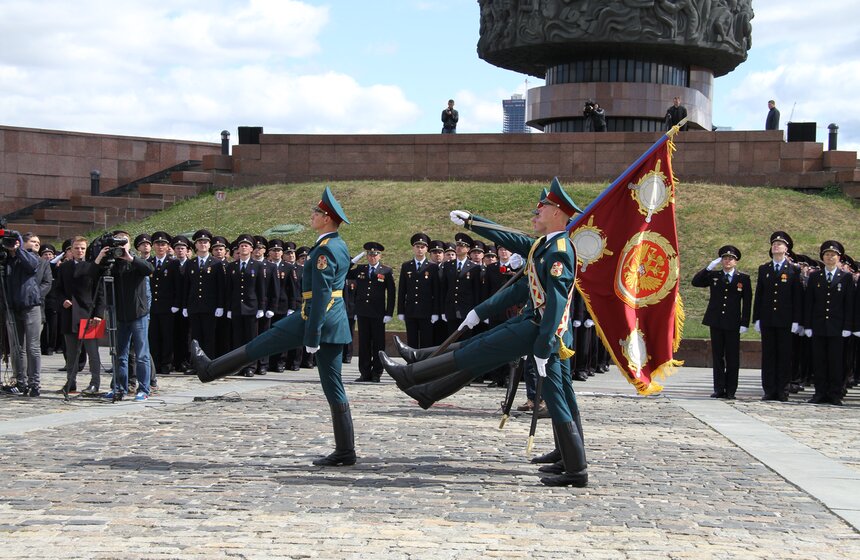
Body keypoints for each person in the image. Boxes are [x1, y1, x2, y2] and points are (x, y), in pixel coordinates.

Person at [380, 178, 588, 487]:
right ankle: (569, 458)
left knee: (479, 354)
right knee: (560, 395)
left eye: (542, 207)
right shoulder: (545, 245)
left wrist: (545, 346)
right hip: (537, 327)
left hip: (542, 331)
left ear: (558, 213)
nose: (536, 212)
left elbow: (557, 304)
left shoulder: (557, 250)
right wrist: (474, 222)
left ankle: (412, 375)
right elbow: (510, 239)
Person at [191, 187, 357, 467]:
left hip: (314, 318)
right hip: (332, 320)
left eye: (317, 212)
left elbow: (321, 295)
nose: (312, 215)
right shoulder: (336, 245)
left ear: (327, 219)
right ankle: (345, 451)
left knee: (261, 344)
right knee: (333, 385)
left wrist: (313, 334)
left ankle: (210, 370)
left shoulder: (325, 250)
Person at [95, 230, 155, 401]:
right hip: (120, 314)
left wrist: (130, 258)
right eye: (118, 243)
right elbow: (94, 274)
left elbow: (149, 269)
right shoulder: (112, 263)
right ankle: (119, 387)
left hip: (138, 313)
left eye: (124, 242)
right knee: (120, 354)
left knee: (142, 354)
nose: (121, 246)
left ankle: (143, 389)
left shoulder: (135, 260)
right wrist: (101, 256)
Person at [691, 245, 752, 399]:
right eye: (725, 258)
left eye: (730, 259)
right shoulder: (714, 276)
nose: (727, 261)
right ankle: (719, 388)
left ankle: (731, 390)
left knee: (732, 357)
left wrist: (744, 322)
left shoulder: (743, 278)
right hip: (716, 321)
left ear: (736, 261)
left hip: (733, 323)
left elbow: (747, 302)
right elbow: (696, 282)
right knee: (717, 356)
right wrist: (708, 268)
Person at [752, 231, 802, 401]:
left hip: (785, 320)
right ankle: (769, 389)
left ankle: (782, 389)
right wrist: (756, 318)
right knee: (769, 355)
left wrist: (796, 320)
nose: (776, 246)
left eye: (779, 244)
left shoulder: (794, 270)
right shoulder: (764, 269)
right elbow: (759, 295)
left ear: (786, 249)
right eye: (774, 244)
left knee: (784, 355)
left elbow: (797, 298)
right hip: (768, 319)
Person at [803, 241, 854, 405]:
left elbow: (849, 304)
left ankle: (834, 394)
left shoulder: (846, 278)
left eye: (833, 255)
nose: (830, 257)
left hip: (837, 327)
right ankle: (819, 393)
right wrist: (808, 325)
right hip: (818, 326)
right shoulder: (815, 276)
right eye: (827, 255)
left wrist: (847, 326)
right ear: (822, 257)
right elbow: (809, 302)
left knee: (836, 362)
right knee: (819, 361)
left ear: (839, 258)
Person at [55, 236, 104, 395]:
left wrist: (99, 314)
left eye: (82, 248)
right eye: (76, 248)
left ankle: (95, 383)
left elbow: (100, 292)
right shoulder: (64, 267)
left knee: (92, 352)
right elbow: (58, 289)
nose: (79, 251)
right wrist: (63, 301)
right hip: (70, 314)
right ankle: (71, 382)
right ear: (71, 250)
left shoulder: (93, 266)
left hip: (89, 314)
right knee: (71, 352)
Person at [1, 232, 47, 396]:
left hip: (30, 306)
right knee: (17, 348)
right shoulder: (6, 259)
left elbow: (32, 266)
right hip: (12, 307)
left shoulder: (30, 256)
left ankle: (34, 383)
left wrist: (17, 249)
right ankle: (21, 382)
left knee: (32, 347)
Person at [348, 242, 395, 382]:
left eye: (375, 254)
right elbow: (345, 272)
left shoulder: (386, 271)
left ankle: (377, 372)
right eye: (369, 254)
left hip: (378, 313)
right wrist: (353, 261)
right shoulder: (360, 269)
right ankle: (365, 372)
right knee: (364, 344)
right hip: (363, 312)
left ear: (379, 256)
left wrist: (389, 313)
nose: (372, 257)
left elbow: (391, 294)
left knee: (378, 344)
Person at [225, 234, 266, 377]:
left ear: (251, 249)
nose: (243, 247)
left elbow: (261, 288)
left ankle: (251, 366)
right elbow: (228, 289)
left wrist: (261, 307)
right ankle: (238, 366)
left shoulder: (258, 266)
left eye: (246, 245)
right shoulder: (232, 266)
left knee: (251, 339)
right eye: (241, 245)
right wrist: (228, 308)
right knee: (237, 339)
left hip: (251, 307)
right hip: (236, 307)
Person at [397, 233, 439, 350]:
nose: (420, 249)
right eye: (417, 247)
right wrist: (401, 311)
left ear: (426, 249)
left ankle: (424, 366)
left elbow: (436, 292)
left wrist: (435, 312)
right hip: (411, 310)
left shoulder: (432, 267)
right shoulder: (406, 266)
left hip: (427, 311)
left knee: (426, 341)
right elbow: (402, 290)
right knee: (412, 341)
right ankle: (412, 365)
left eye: (422, 247)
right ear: (413, 248)